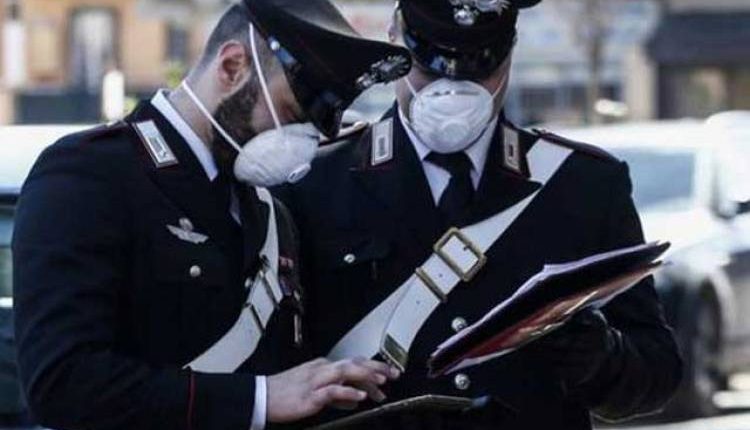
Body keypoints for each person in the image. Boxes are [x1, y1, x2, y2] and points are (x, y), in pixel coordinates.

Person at [274, 0, 683, 428]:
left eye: (476, 70)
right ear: (394, 42)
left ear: (509, 54)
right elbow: (270, 372)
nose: (452, 90)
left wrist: (600, 356)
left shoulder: (582, 184)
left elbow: (657, 375)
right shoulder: (311, 183)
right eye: (431, 69)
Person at [12, 1, 412, 429]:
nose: (302, 144)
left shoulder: (267, 208)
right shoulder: (91, 174)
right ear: (232, 66)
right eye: (293, 115)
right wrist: (259, 399)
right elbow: (62, 383)